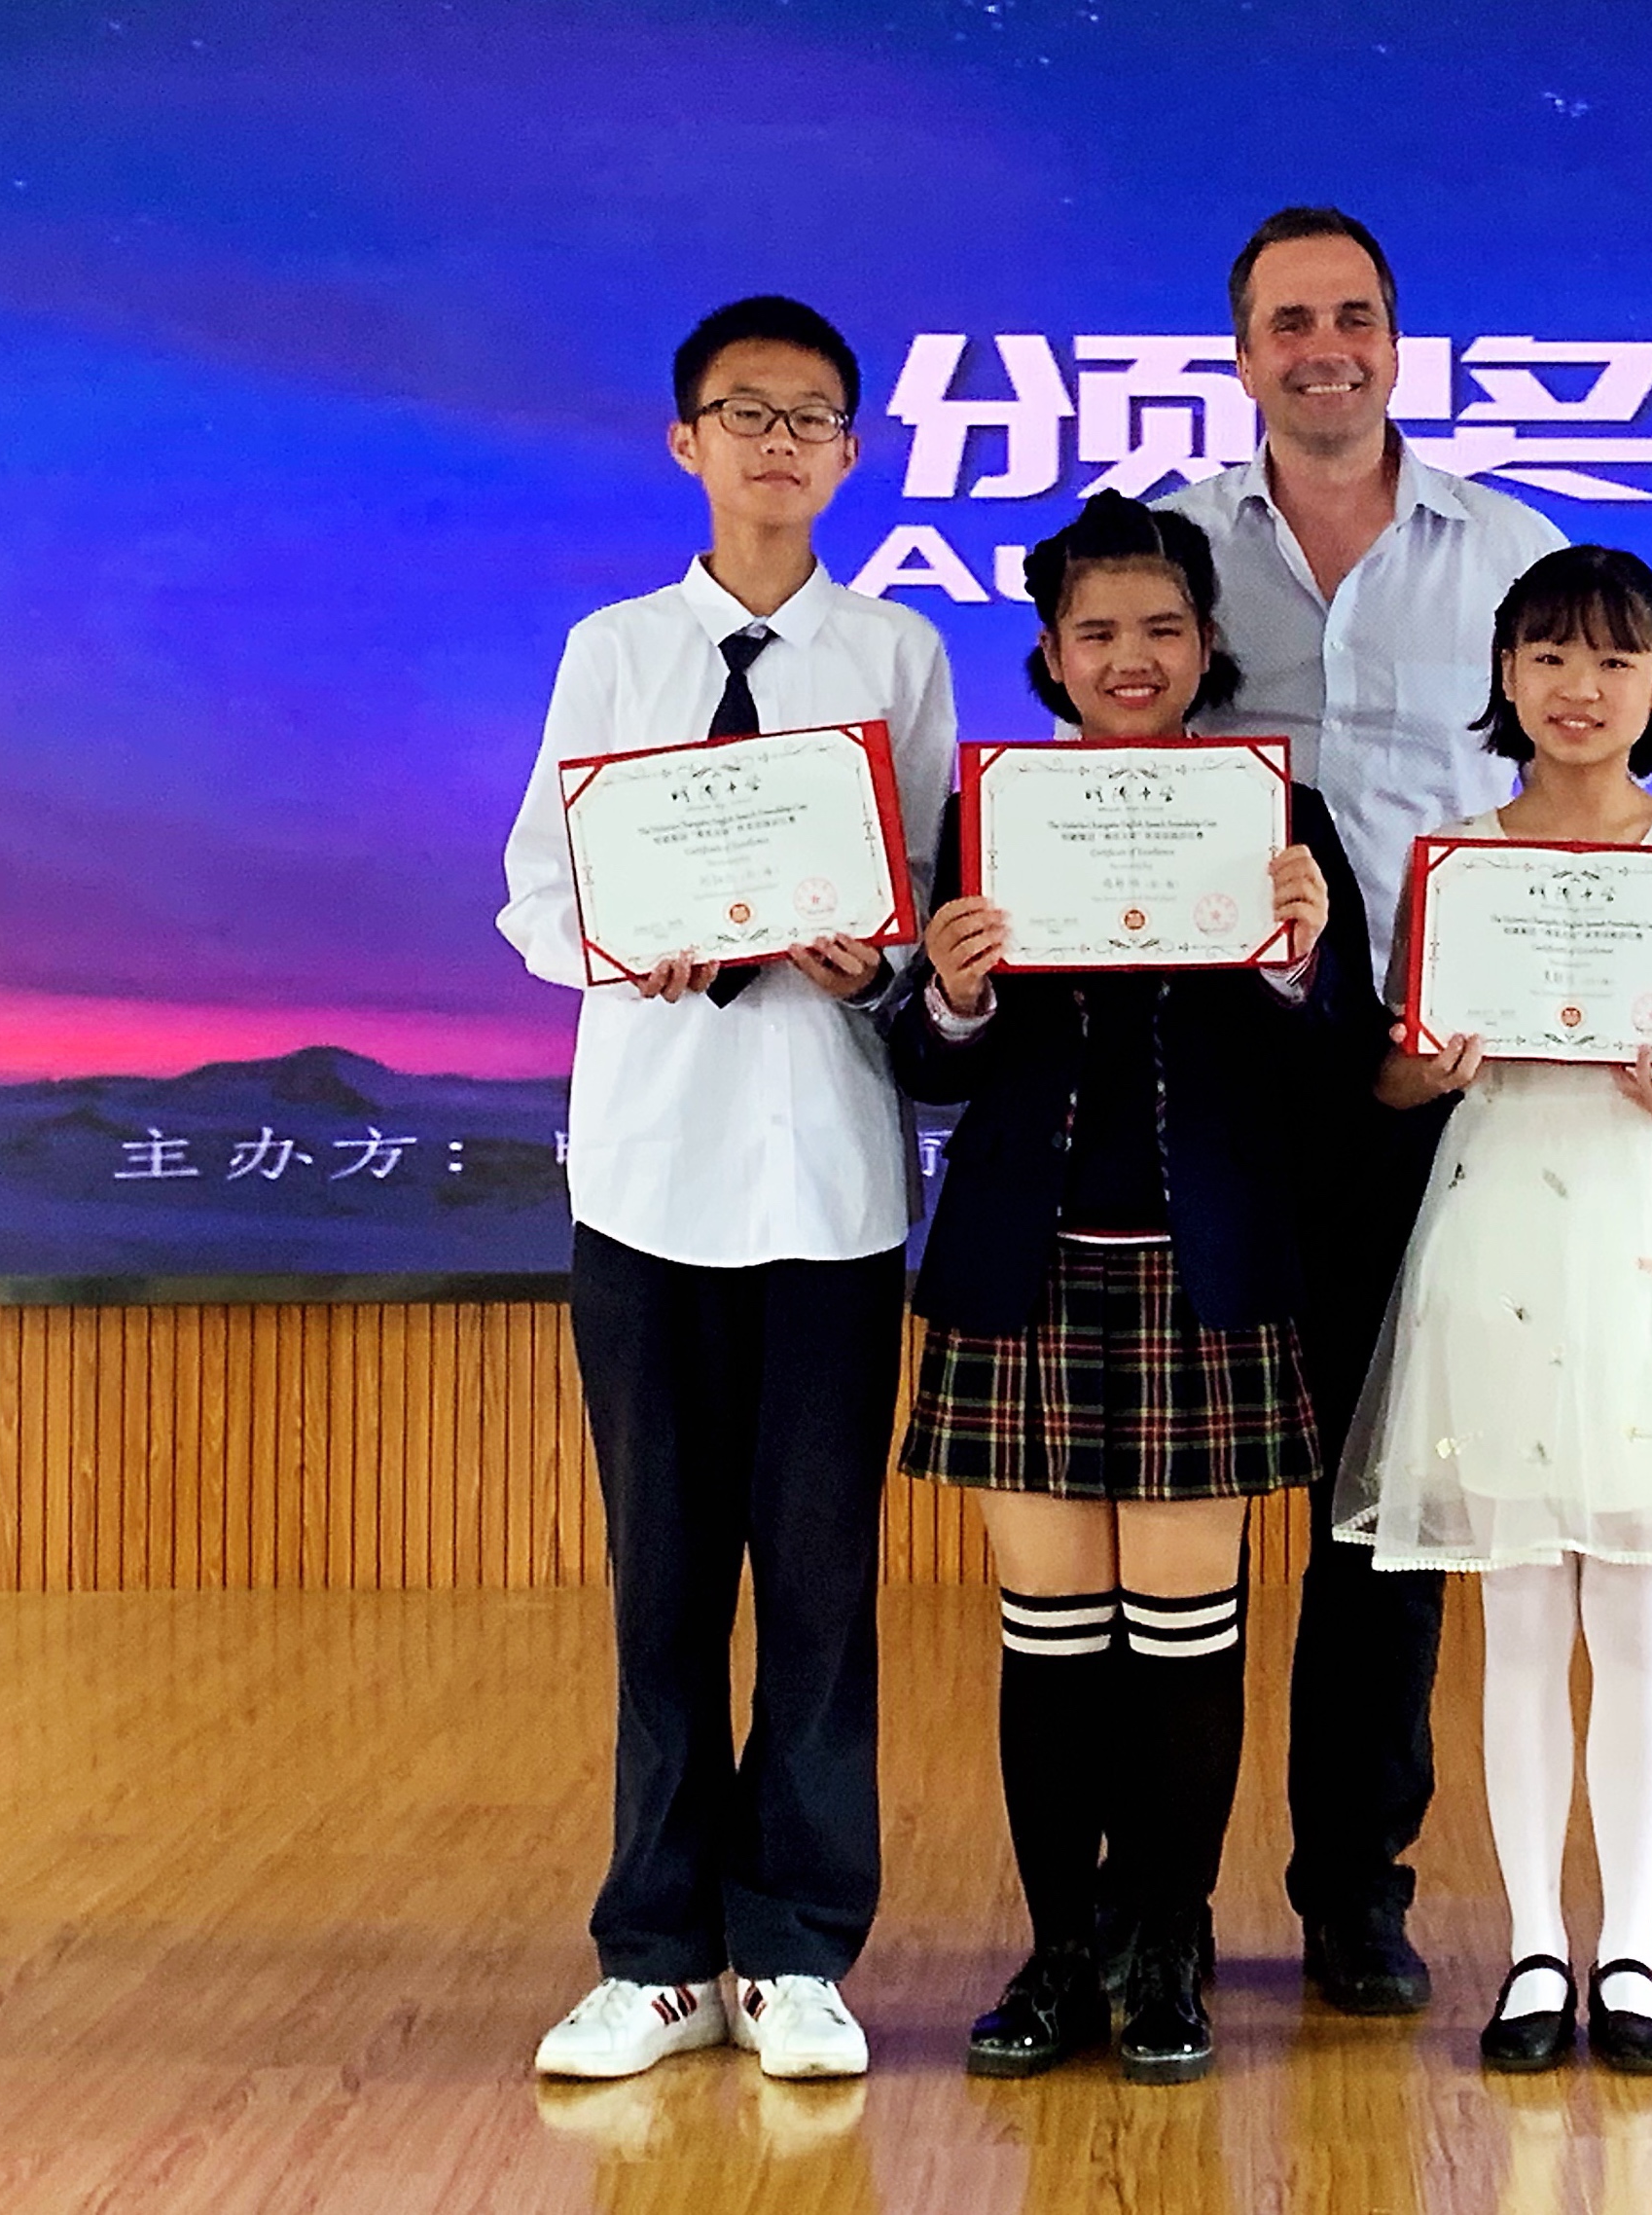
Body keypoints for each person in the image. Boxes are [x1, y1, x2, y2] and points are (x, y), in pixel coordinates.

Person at [498, 294, 955, 2084]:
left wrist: (876, 956)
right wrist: (637, 945)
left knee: (821, 1589)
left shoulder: (894, 656)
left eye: (812, 417)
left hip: (830, 1185)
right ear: (685, 440)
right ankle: (655, 1954)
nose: (779, 443)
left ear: (851, 453)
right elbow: (539, 892)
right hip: (647, 1179)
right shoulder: (611, 650)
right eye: (746, 413)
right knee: (664, 1583)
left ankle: (796, 1951)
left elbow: (934, 892)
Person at [891, 491, 1382, 2085]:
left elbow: (1345, 1066)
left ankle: (1167, 1943)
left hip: (1211, 1273)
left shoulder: (1282, 821)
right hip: (1019, 1272)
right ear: (1049, 653)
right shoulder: (989, 816)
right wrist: (954, 998)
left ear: (1207, 644)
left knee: (1181, 1637)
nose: (1130, 657)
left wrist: (1297, 964)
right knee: (1047, 1637)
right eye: (1095, 631)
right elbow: (922, 1062)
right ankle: (1058, 1954)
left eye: (1162, 628)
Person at [1335, 545, 1652, 2075]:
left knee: (1636, 1617)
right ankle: (1530, 1952)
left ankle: (1628, 1949)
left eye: (1614, 660)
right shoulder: (1453, 856)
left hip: (1646, 1233)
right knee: (1513, 1624)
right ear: (1504, 676)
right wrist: (1429, 1066)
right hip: (1496, 1223)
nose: (1580, 687)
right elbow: (1393, 1072)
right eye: (1549, 655)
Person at [1160, 204, 1566, 2015]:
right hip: (1211, 1072)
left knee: (1382, 1508)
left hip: (1431, 1079)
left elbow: (1574, 785)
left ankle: (1352, 1893)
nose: (1322, 347)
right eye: (1286, 321)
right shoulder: (1169, 543)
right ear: (1240, 351)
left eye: (1352, 316)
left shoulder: (1511, 550)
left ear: (1395, 340)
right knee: (1181, 1504)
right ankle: (1154, 1903)